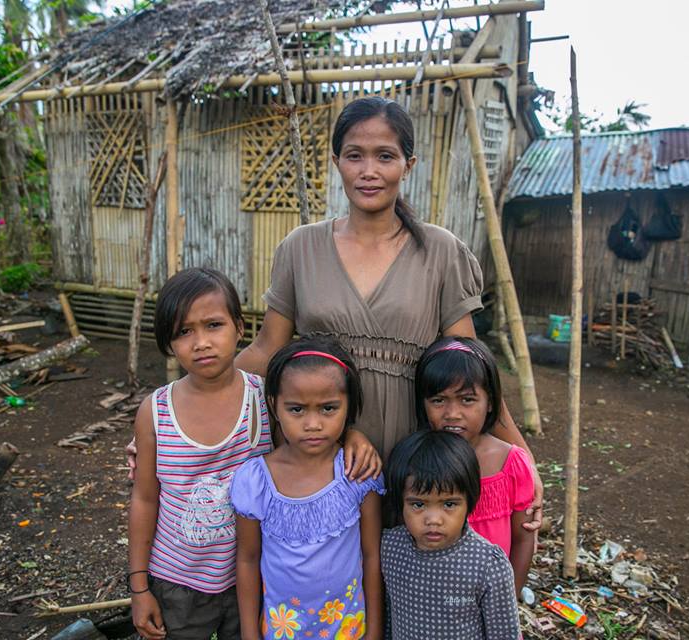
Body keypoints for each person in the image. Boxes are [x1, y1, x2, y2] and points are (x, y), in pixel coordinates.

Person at [235, 96, 542, 527]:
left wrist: (523, 457)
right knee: (332, 580)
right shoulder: (300, 248)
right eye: (355, 156)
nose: (369, 171)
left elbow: (470, 367)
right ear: (337, 160)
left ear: (408, 164)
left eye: (385, 156)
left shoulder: (440, 251)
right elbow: (266, 350)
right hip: (324, 449)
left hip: (416, 456)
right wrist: (180, 409)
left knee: (408, 573)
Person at [128, 267, 273, 640]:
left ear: (240, 328)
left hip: (255, 575)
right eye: (184, 332)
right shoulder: (155, 411)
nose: (201, 342)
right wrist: (139, 588)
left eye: (213, 325)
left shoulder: (267, 400)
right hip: (177, 581)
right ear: (168, 342)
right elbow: (145, 499)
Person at [231, 337, 383, 640]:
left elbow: (371, 555)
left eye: (328, 408)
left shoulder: (358, 473)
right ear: (274, 405)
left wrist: (375, 631)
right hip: (282, 630)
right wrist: (249, 633)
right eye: (297, 410)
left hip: (349, 630)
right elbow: (247, 559)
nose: (313, 424)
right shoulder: (255, 481)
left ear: (348, 406)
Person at [415, 336, 536, 597]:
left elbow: (524, 538)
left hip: (490, 599)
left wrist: (507, 600)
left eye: (467, 400)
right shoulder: (416, 459)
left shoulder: (510, 463)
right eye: (438, 400)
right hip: (432, 602)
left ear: (491, 402)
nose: (452, 413)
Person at [382, 430, 522, 640]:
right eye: (418, 504)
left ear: (470, 501)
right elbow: (389, 618)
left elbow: (504, 634)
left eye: (449, 504)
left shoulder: (487, 564)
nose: (434, 520)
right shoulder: (390, 548)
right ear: (400, 502)